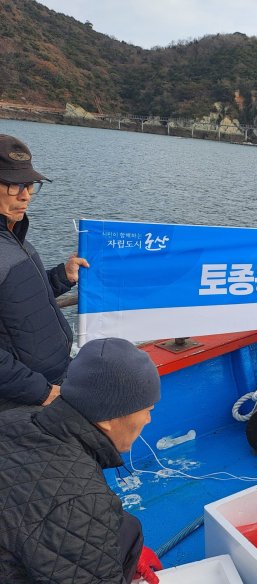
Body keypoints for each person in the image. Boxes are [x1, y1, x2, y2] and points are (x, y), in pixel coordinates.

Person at [0, 337, 163, 583]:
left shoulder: (18, 418)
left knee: (123, 527)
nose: (148, 420)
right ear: (108, 417)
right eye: (147, 410)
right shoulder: (81, 501)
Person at [0, 134, 89, 412]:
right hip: (25, 399)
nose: (25, 195)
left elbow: (21, 300)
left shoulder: (15, 238)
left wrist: (63, 275)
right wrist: (41, 392)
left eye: (29, 185)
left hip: (54, 380)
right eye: (14, 185)